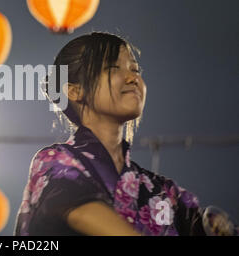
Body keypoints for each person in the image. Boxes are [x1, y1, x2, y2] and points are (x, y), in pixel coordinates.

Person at [14, 32, 237, 236]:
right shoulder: (54, 162)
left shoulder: (161, 191)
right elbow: (82, 212)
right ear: (74, 91)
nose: (132, 78)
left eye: (135, 70)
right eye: (113, 68)